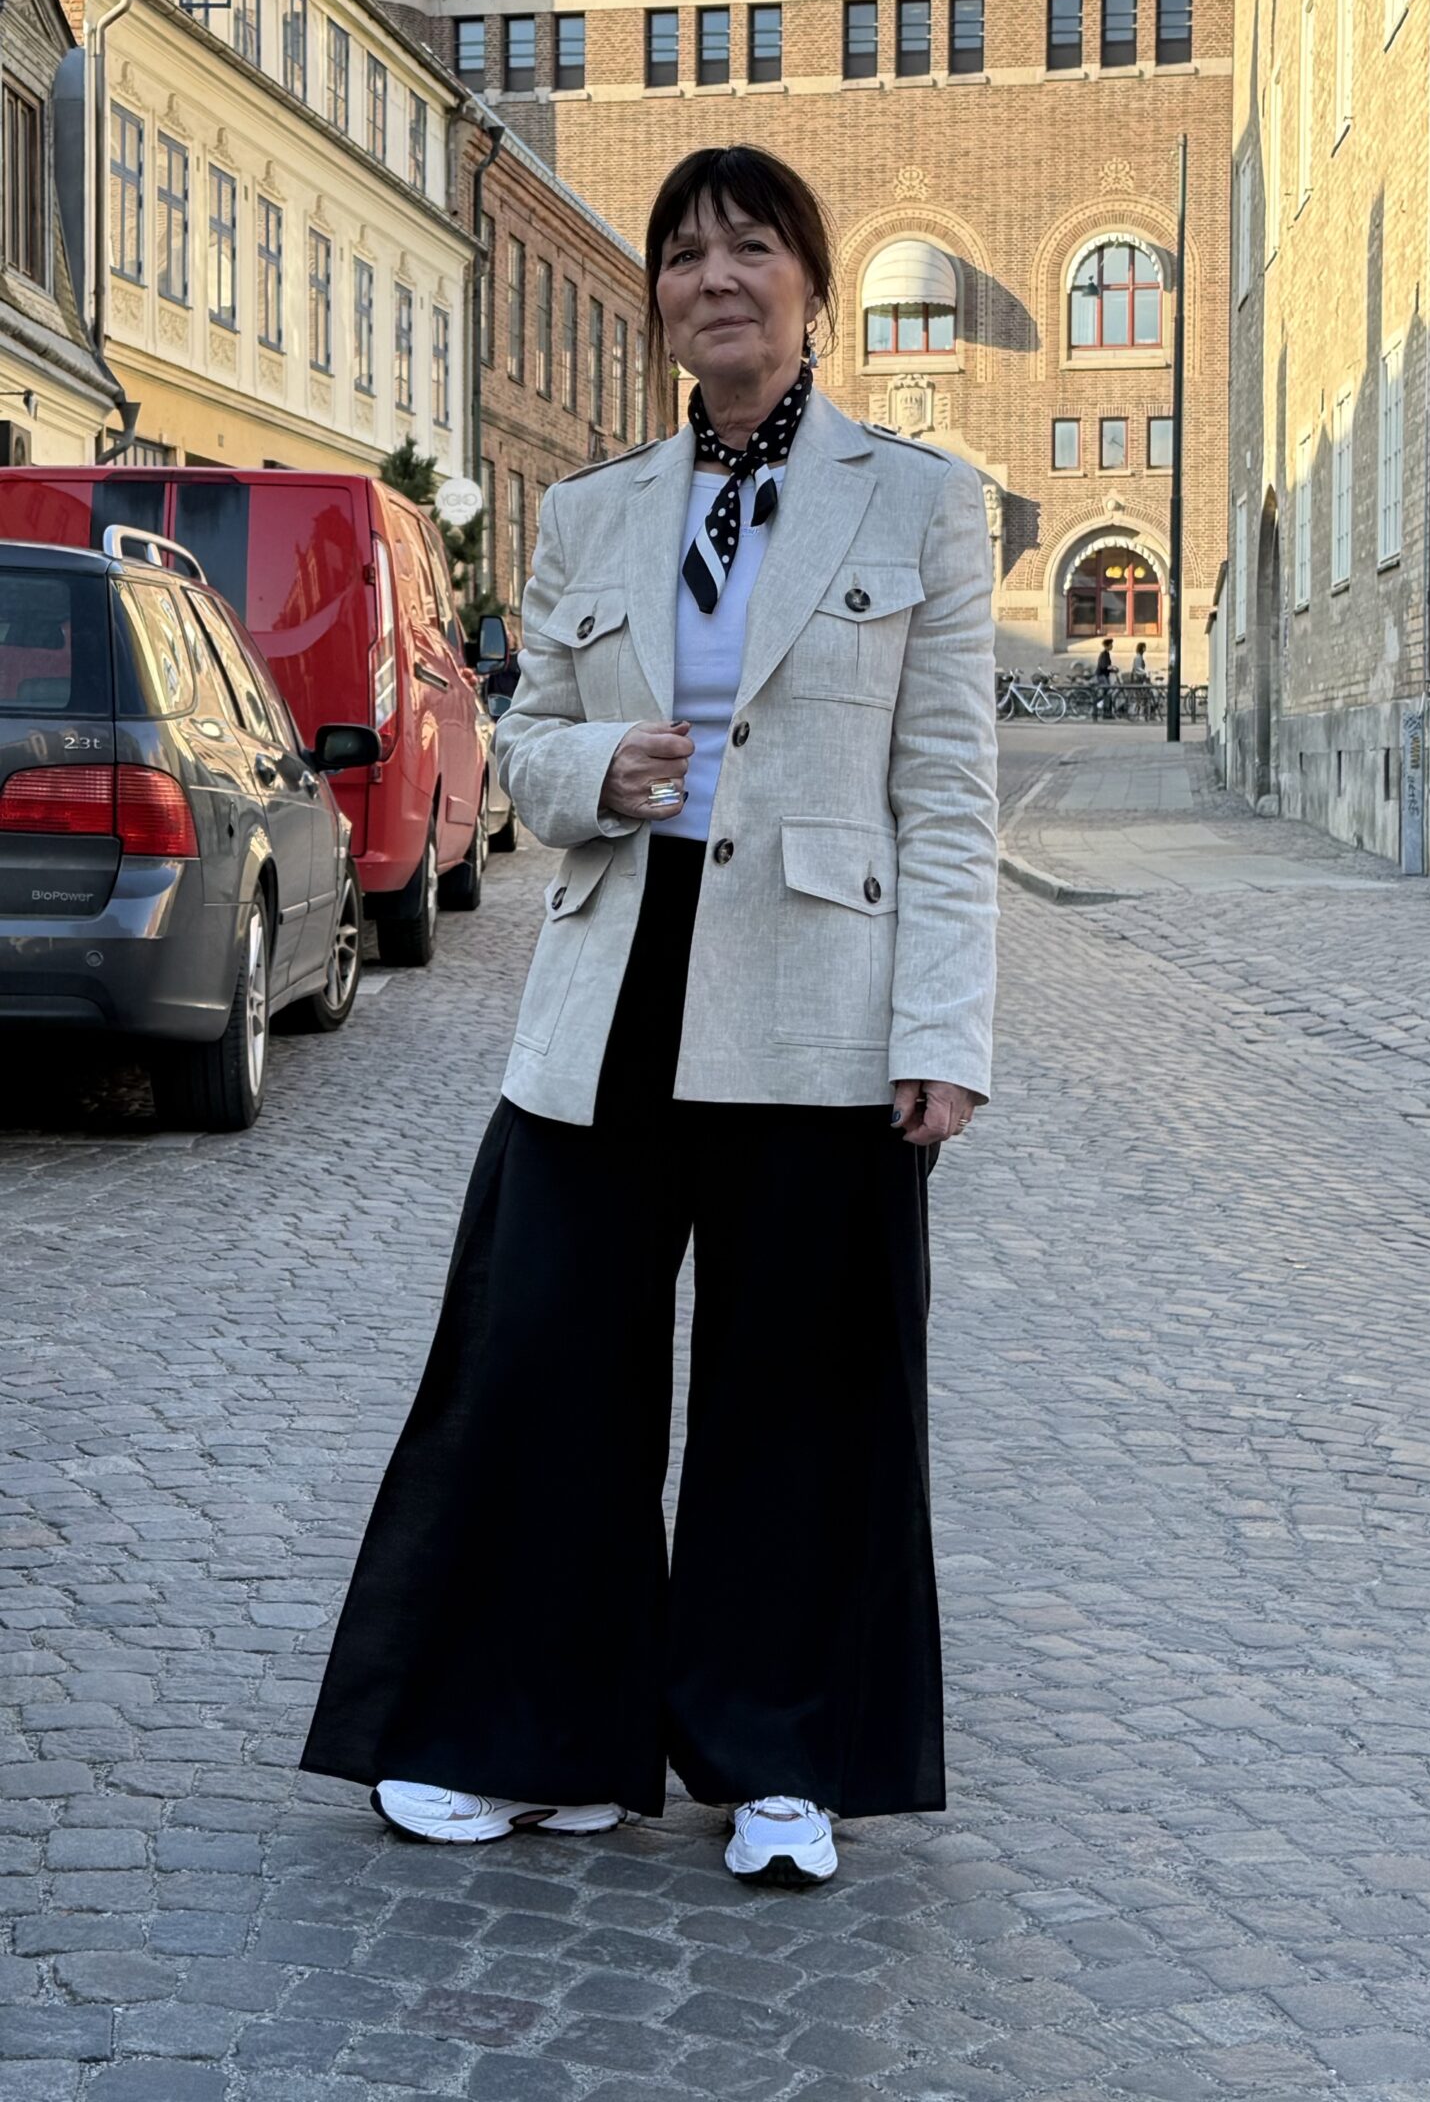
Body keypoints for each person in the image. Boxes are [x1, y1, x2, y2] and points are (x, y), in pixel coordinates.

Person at [299, 144, 999, 1890]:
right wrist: (594, 768)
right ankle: (537, 1741)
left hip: (820, 985)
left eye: (750, 248)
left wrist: (943, 1031)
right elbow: (522, 740)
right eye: (684, 257)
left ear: (809, 285)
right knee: (543, 1354)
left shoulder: (915, 501)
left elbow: (946, 789)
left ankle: (778, 1759)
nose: (715, 279)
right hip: (612, 973)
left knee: (796, 1383)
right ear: (661, 306)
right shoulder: (596, 512)